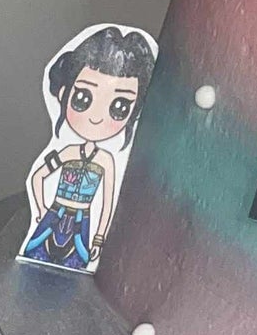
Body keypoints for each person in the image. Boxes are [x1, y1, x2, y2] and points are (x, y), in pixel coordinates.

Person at [19, 24, 157, 273]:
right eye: (83, 98)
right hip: (54, 216)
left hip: (82, 224)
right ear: (64, 93)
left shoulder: (106, 161)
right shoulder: (68, 152)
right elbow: (38, 177)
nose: (96, 117)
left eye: (120, 106)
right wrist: (41, 210)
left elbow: (108, 202)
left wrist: (100, 238)